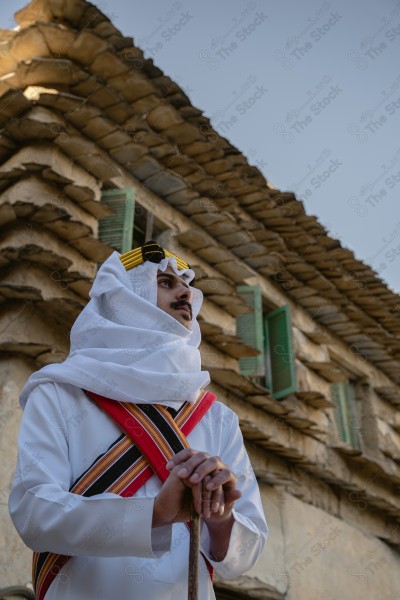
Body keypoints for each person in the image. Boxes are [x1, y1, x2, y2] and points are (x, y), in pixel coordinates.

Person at [9, 240, 268, 600]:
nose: (186, 294)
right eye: (165, 283)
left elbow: (244, 555)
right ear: (124, 298)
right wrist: (153, 515)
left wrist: (220, 516)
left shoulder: (218, 418)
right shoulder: (59, 392)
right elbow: (35, 512)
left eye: (187, 286)